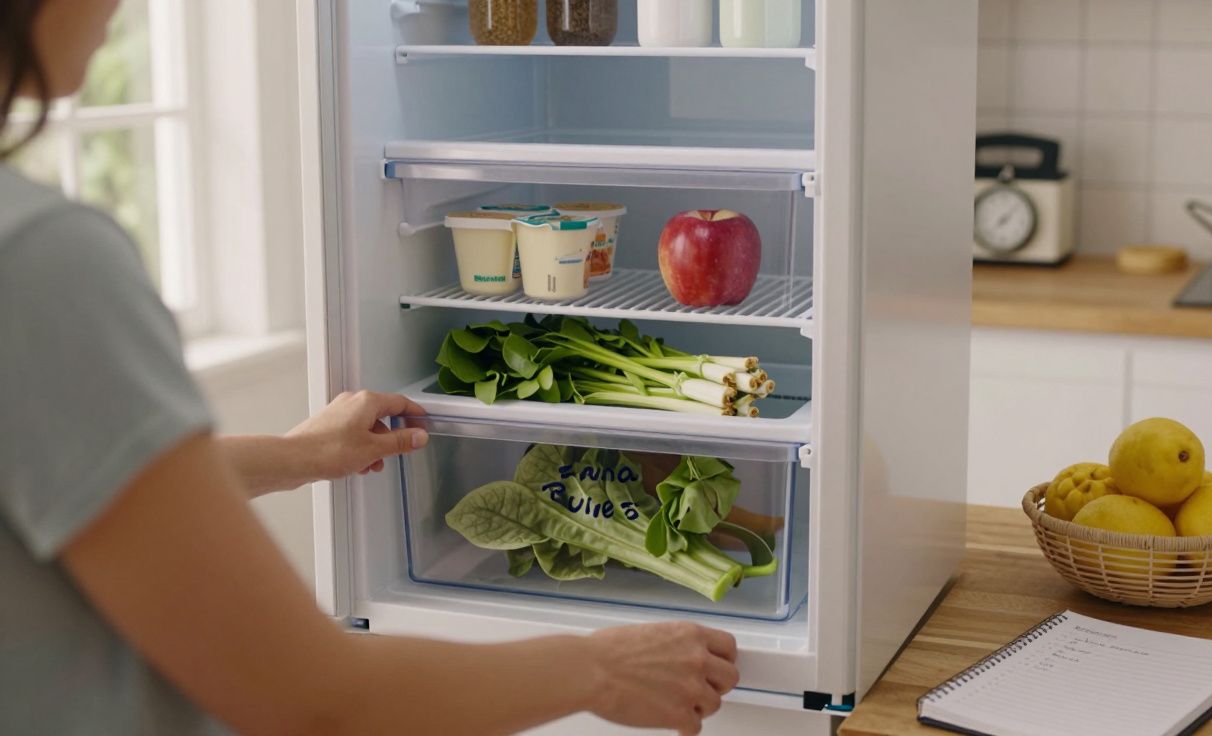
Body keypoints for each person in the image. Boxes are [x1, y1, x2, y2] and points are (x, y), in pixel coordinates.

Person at [0, 2, 739, 734]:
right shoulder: (40, 259)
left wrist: (299, 456)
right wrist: (598, 669)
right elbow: (317, 699)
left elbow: (67, 483)